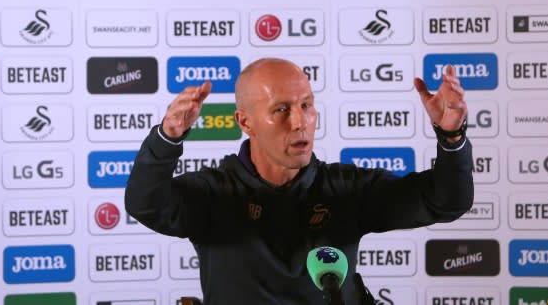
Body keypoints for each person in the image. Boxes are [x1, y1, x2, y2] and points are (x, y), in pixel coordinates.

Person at [125, 57, 474, 304]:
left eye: (306, 105)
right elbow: (146, 204)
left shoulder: (346, 188)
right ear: (245, 123)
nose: (300, 122)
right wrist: (166, 139)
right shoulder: (214, 193)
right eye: (281, 110)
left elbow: (444, 201)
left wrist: (452, 137)